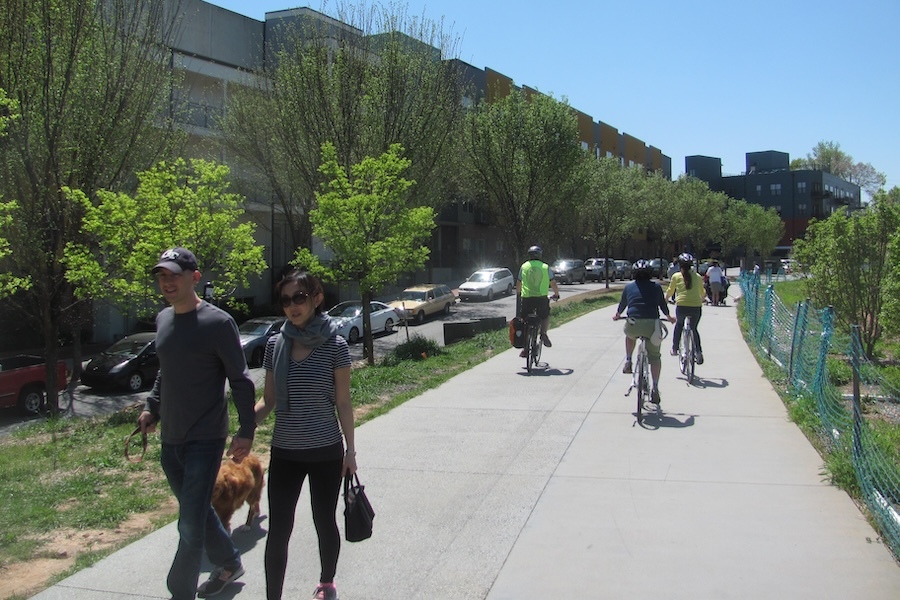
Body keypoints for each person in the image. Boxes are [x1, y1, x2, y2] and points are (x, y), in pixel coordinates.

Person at [138, 247, 256, 600]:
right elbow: (165, 371)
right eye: (162, 276)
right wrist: (151, 408)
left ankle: (180, 592)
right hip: (170, 439)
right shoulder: (163, 320)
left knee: (188, 522)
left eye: (174, 274)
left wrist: (246, 429)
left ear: (195, 277)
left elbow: (240, 379)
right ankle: (230, 561)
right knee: (197, 511)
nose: (167, 282)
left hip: (205, 439)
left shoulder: (218, 323)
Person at [254, 270, 357, 600]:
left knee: (323, 521)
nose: (292, 306)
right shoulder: (275, 345)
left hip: (326, 451)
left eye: (299, 297)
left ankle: (327, 582)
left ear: (316, 298)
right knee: (279, 531)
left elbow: (343, 402)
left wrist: (350, 451)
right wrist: (243, 429)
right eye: (286, 300)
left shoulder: (336, 346)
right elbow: (268, 402)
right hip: (285, 452)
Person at [613, 260, 676, 404]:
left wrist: (617, 315)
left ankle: (628, 359)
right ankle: (654, 387)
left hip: (633, 322)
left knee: (629, 335)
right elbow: (662, 305)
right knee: (655, 357)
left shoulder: (628, 287)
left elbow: (623, 304)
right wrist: (669, 317)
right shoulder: (656, 287)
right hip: (652, 325)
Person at [516, 245, 560, 357]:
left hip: (527, 299)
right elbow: (553, 282)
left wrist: (519, 294)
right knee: (544, 315)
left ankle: (526, 348)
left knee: (525, 321)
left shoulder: (524, 266)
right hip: (541, 298)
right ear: (540, 256)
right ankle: (543, 333)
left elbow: (519, 282)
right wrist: (556, 294)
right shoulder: (545, 267)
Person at [665, 252, 705, 364]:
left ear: (680, 265)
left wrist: (666, 299)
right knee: (694, 328)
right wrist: (703, 299)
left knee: (679, 325)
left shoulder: (676, 276)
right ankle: (698, 351)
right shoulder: (697, 277)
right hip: (696, 307)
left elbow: (670, 291)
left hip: (682, 306)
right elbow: (703, 293)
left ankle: (674, 348)